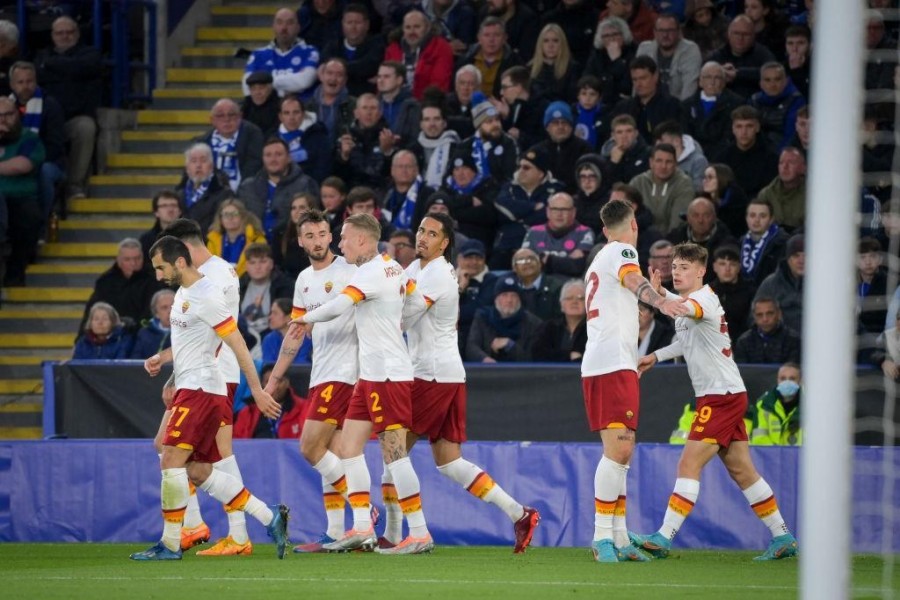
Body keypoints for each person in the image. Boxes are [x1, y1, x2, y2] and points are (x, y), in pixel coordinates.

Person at [631, 242, 798, 561]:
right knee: (742, 471)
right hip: (726, 392)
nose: (676, 272)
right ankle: (783, 537)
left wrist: (657, 296)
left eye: (684, 268)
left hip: (720, 396)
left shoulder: (702, 300)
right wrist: (656, 355)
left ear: (700, 271)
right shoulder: (689, 302)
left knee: (688, 463)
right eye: (674, 267)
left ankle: (664, 538)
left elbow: (687, 310)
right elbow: (686, 339)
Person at [131, 235, 289, 561]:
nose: (158, 276)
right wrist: (164, 359)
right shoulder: (184, 293)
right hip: (194, 386)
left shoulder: (207, 294)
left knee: (170, 459)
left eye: (161, 267)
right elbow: (190, 341)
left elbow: (237, 343)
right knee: (198, 470)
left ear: (179, 261)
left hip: (202, 389)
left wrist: (257, 390)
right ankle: (268, 516)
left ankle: (171, 543)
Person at [290, 213, 434, 554]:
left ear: (361, 240)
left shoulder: (369, 273)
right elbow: (416, 301)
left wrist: (302, 318)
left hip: (387, 374)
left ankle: (420, 532)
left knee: (394, 454)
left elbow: (338, 306)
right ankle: (361, 527)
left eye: (342, 237)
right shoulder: (394, 267)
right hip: (368, 375)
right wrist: (396, 323)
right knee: (349, 450)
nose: (338, 244)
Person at [398, 212, 540, 551]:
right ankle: (519, 513)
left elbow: (402, 318)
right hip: (446, 373)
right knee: (449, 462)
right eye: (420, 230)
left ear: (445, 243)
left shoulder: (437, 274)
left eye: (431, 234)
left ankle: (405, 532)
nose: (423, 237)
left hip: (430, 374)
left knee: (394, 451)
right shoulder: (417, 269)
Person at [580, 199, 690, 563]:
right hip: (610, 363)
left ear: (603, 228)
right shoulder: (622, 251)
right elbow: (632, 278)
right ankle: (601, 538)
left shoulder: (598, 259)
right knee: (620, 449)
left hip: (611, 361)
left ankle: (621, 536)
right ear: (634, 227)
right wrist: (658, 301)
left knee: (621, 454)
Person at [264, 209, 363, 553]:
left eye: (322, 234)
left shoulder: (351, 269)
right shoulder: (304, 279)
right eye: (310, 236)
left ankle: (364, 515)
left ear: (330, 236)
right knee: (331, 454)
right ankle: (337, 533)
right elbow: (295, 335)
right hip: (323, 371)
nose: (318, 241)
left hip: (346, 373)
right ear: (300, 240)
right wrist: (273, 380)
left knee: (309, 447)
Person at [34, 16, 102, 201]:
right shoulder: (42, 55)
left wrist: (52, 66)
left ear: (78, 33)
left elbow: (83, 68)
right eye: (60, 33)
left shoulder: (89, 54)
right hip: (45, 121)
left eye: (69, 32)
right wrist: (69, 71)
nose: (65, 36)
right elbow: (36, 74)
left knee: (86, 127)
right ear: (52, 35)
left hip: (74, 117)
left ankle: (75, 185)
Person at [9, 60, 66, 232]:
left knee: (44, 173)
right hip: (12, 160)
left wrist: (31, 162)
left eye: (29, 81)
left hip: (48, 162)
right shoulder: (5, 106)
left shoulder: (50, 105)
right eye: (20, 82)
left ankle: (40, 225)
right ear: (12, 84)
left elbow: (55, 145)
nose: (25, 86)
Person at [238, 137, 320, 243]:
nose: (273, 159)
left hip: (290, 244)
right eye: (268, 155)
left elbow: (314, 218)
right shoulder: (247, 187)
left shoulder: (306, 184)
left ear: (289, 158)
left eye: (278, 154)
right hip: (253, 248)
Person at [492, 146, 563, 269]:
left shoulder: (556, 188)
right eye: (519, 167)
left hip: (542, 248)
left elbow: (547, 215)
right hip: (507, 247)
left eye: (526, 168)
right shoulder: (509, 187)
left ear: (541, 173)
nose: (521, 171)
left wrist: (518, 215)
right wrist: (533, 206)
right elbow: (500, 206)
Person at [0, 95, 45, 286]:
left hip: (20, 198)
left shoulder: (29, 138)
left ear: (18, 115)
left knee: (28, 216)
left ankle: (15, 275)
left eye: (8, 115)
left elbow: (22, 165)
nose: (3, 120)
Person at [78, 238, 162, 335]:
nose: (133, 263)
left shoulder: (154, 280)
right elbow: (92, 311)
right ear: (118, 260)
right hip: (112, 336)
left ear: (143, 258)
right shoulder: (106, 282)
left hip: (144, 335)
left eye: (137, 258)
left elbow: (153, 313)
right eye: (127, 259)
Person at [242, 7, 319, 99]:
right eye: (279, 22)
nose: (284, 28)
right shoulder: (257, 55)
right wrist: (289, 86)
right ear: (273, 27)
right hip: (267, 110)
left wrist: (264, 83)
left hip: (301, 109)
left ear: (298, 27)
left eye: (290, 23)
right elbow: (247, 86)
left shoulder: (310, 51)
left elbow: (304, 81)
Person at [465, 276, 543, 362]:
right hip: (487, 372)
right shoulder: (482, 317)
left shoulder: (533, 323)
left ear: (519, 300)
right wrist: (485, 359)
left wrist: (510, 345)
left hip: (520, 373)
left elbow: (532, 357)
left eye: (514, 296)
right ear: (496, 299)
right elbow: (471, 347)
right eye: (504, 295)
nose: (509, 300)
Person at [610, 55, 683, 145]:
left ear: (655, 76)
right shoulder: (623, 108)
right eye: (635, 79)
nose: (638, 84)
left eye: (643, 78)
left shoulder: (672, 106)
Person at [682, 61, 746, 162]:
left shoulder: (736, 104)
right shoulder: (686, 105)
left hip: (723, 158)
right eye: (708, 77)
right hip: (693, 158)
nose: (712, 81)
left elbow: (729, 137)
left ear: (724, 82)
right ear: (700, 81)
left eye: (717, 77)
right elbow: (686, 136)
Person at [196, 99, 265, 192]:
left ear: (240, 116)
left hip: (245, 193)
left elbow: (253, 169)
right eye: (220, 115)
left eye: (231, 115)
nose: (226, 119)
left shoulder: (252, 135)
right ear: (212, 120)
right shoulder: (203, 143)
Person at [384, 9, 454, 100]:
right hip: (394, 103)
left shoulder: (440, 47)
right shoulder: (392, 49)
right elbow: (384, 82)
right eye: (408, 27)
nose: (412, 32)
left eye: (417, 27)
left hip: (426, 104)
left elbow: (439, 86)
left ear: (427, 28)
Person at [522, 191, 595, 277]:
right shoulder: (533, 232)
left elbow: (576, 266)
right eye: (555, 209)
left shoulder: (585, 232)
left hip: (570, 284)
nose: (559, 214)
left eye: (564, 209)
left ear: (573, 212)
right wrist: (563, 262)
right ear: (548, 212)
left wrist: (547, 260)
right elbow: (525, 264)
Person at [629, 143, 695, 235]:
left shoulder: (684, 184)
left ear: (675, 164)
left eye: (669, 162)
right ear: (651, 162)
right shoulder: (638, 182)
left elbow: (677, 225)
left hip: (669, 242)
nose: (663, 166)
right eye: (659, 161)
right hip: (640, 239)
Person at [667, 197, 737, 280]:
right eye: (696, 215)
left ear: (714, 218)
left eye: (706, 215)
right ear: (688, 218)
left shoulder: (726, 242)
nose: (700, 220)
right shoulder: (675, 237)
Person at [708, 15, 776, 100]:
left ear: (753, 36)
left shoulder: (763, 53)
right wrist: (719, 73)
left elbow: (773, 73)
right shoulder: (718, 55)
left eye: (745, 34)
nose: (740, 38)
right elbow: (703, 77)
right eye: (736, 33)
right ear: (729, 34)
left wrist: (738, 74)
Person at [321, 4, 384, 97]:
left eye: (357, 23)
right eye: (349, 22)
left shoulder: (376, 45)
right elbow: (324, 63)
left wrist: (337, 69)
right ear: (342, 24)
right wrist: (358, 74)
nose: (353, 27)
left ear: (367, 25)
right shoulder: (333, 46)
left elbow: (368, 66)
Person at [636, 14, 702, 101]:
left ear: (679, 32)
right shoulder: (644, 49)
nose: (665, 35)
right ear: (654, 33)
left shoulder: (690, 50)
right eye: (661, 30)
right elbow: (637, 84)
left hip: (678, 107)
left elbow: (689, 90)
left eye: (670, 30)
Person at [457, 91, 519, 184]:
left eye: (497, 120)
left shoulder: (508, 143)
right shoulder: (465, 146)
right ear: (478, 126)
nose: (495, 124)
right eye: (489, 122)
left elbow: (510, 179)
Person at [716, 106, 779, 198]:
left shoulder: (771, 160)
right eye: (739, 126)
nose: (744, 132)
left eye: (749, 126)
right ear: (733, 129)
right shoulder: (722, 158)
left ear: (757, 127)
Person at [234, 363, 310, 439]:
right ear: (261, 385)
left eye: (279, 381)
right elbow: (237, 442)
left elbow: (309, 439)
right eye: (267, 381)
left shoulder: (303, 408)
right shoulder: (249, 411)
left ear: (287, 383)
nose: (274, 387)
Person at [334, 93, 391, 191]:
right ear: (356, 113)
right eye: (365, 108)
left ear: (380, 113)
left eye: (373, 108)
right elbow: (337, 176)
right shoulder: (345, 138)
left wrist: (387, 153)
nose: (369, 113)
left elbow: (388, 175)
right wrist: (344, 157)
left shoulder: (388, 137)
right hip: (351, 193)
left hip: (379, 192)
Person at [533, 101, 593, 193]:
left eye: (564, 122)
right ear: (547, 127)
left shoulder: (584, 149)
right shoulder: (537, 151)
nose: (560, 126)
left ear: (571, 126)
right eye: (555, 123)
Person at [239, 243, 295, 339]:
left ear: (271, 264)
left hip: (274, 337)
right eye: (252, 262)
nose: (257, 267)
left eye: (263, 262)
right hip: (243, 338)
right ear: (247, 266)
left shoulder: (285, 286)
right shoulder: (238, 285)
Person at [176, 143, 233, 234]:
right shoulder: (179, 195)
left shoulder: (223, 194)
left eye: (203, 160)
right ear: (187, 168)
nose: (198, 165)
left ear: (211, 166)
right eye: (194, 161)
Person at [459, 17, 523, 98]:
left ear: (504, 38)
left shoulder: (515, 63)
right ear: (479, 38)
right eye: (486, 35)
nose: (491, 40)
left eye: (496, 35)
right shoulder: (465, 60)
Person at [749, 62, 806, 152]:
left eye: (777, 79)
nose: (773, 84)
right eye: (767, 80)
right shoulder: (754, 100)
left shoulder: (796, 101)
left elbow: (790, 136)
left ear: (785, 81)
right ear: (761, 83)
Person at [583, 17, 638, 110]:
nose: (611, 39)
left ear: (624, 35)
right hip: (600, 104)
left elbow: (627, 86)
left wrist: (616, 61)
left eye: (615, 34)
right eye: (606, 36)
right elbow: (587, 82)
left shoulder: (634, 52)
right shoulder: (596, 56)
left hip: (626, 105)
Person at [754, 233, 804, 334]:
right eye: (796, 256)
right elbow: (754, 318)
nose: (801, 261)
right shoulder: (771, 284)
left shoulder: (824, 285)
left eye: (806, 255)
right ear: (788, 259)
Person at [456, 239, 498, 356]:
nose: (474, 262)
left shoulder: (492, 281)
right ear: (459, 259)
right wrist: (460, 289)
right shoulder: (446, 279)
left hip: (481, 335)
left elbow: (480, 311)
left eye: (478, 258)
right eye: (469, 257)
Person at [205, 198, 268, 277]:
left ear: (243, 217)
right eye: (226, 214)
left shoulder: (257, 240)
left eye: (234, 214)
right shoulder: (212, 241)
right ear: (220, 219)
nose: (230, 218)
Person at [276, 95, 331, 183]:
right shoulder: (273, 138)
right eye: (286, 113)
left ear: (303, 114)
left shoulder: (318, 136)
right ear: (280, 117)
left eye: (296, 112)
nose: (291, 118)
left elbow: (322, 171)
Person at [708, 245, 756, 343]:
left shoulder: (750, 293)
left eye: (732, 264)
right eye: (722, 264)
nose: (727, 269)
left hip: (741, 344)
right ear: (715, 267)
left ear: (739, 267)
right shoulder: (706, 292)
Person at [493, 66, 547, 153]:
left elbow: (546, 141)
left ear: (518, 88)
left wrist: (521, 136)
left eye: (505, 87)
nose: (501, 93)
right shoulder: (513, 106)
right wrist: (506, 117)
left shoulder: (543, 108)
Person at [733, 296, 801, 364]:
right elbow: (740, 371)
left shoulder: (792, 340)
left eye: (770, 313)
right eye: (759, 315)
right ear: (754, 317)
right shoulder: (744, 341)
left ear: (779, 314)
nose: (765, 319)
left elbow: (793, 371)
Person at [532, 279, 587, 362]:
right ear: (561, 304)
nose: (574, 302)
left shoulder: (596, 329)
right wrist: (568, 355)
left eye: (580, 298)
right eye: (569, 298)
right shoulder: (548, 327)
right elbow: (537, 354)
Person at [748, 362, 802, 446]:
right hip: (771, 457)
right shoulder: (764, 405)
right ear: (777, 380)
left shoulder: (812, 406)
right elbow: (759, 439)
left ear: (800, 381)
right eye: (783, 378)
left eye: (792, 379)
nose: (787, 382)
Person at [739, 198, 788, 288]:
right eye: (752, 215)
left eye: (762, 216)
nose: (757, 220)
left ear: (771, 219)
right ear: (746, 218)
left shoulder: (782, 244)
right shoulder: (739, 243)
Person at [527, 23, 580, 104]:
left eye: (555, 41)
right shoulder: (530, 68)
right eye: (546, 41)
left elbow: (573, 100)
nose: (550, 45)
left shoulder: (572, 68)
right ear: (540, 44)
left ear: (562, 44)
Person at [383, 150, 436, 231]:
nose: (404, 170)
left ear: (416, 170)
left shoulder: (428, 194)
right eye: (400, 166)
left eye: (408, 166)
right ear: (392, 170)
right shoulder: (384, 195)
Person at [757, 147, 806, 232]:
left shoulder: (814, 195)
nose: (785, 167)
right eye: (781, 163)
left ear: (803, 168)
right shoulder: (766, 194)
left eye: (791, 162)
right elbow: (758, 225)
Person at [411, 103, 460, 189]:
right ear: (421, 125)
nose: (432, 124)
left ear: (444, 123)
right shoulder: (412, 150)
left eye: (436, 119)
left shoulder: (456, 149)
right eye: (427, 119)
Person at [375, 61, 421, 148]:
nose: (380, 80)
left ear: (399, 80)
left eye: (386, 77)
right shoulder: (374, 104)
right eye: (379, 76)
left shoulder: (412, 106)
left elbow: (415, 138)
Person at [652, 120, 708, 190]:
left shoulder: (698, 161)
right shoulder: (657, 159)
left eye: (661, 140)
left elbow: (698, 189)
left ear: (676, 141)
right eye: (656, 141)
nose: (657, 144)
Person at [271, 192, 315, 280]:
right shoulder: (280, 233)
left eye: (302, 207)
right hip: (287, 283)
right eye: (293, 208)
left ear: (311, 210)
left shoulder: (320, 233)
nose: (297, 211)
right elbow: (277, 264)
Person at [600, 114, 651, 186]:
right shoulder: (606, 158)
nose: (624, 136)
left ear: (636, 133)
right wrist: (613, 163)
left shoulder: (648, 154)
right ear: (613, 136)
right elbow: (605, 186)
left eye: (629, 131)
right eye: (619, 132)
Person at [701, 163, 749, 237]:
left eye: (710, 177)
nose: (705, 181)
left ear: (722, 178)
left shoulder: (735, 200)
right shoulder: (703, 197)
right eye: (704, 177)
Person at [260, 297, 312, 365]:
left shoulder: (306, 338)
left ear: (289, 317)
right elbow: (267, 365)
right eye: (271, 313)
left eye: (275, 313)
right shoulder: (269, 339)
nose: (270, 317)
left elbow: (302, 365)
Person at [857, 236, 890, 335]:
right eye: (863, 257)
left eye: (872, 256)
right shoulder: (847, 283)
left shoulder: (889, 283)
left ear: (880, 259)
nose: (868, 262)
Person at [139, 190, 184, 263]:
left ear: (180, 211)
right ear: (156, 212)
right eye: (164, 206)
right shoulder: (146, 240)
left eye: (174, 205)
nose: (170, 209)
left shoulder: (191, 237)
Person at [130, 289, 176, 359]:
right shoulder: (144, 333)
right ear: (156, 313)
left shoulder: (190, 332)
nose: (170, 311)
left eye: (174, 306)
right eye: (164, 307)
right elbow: (135, 360)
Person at [573, 154, 610, 235]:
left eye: (592, 176)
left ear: (601, 177)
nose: (587, 181)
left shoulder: (610, 203)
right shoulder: (573, 202)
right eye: (583, 176)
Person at [241, 70, 280, 137]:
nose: (257, 93)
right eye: (253, 89)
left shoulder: (280, 105)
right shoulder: (246, 105)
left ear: (270, 88)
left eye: (261, 88)